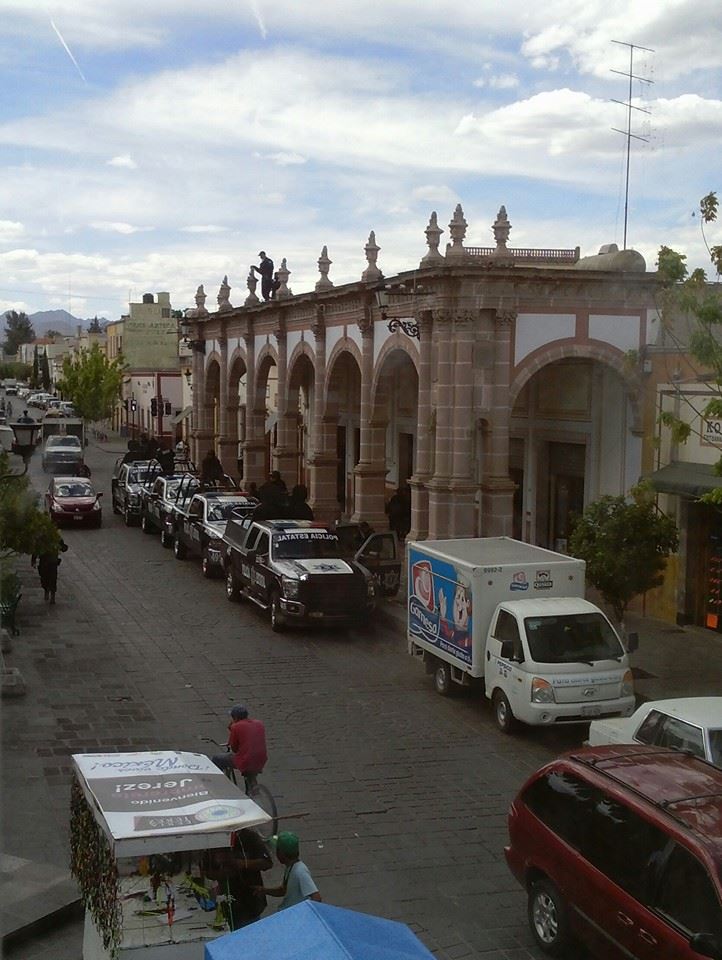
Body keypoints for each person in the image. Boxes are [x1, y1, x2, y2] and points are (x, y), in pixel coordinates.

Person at [203, 828, 273, 928]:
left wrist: (242, 864)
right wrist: (221, 873)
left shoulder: (250, 837)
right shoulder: (212, 840)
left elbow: (267, 863)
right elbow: (206, 872)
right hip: (223, 905)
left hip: (249, 904)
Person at [255, 832, 321, 911]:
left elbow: (316, 897)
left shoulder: (300, 871)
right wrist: (264, 890)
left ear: (281, 854)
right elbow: (283, 890)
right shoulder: (290, 867)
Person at [211, 705, 268, 788]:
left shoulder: (236, 727)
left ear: (235, 717)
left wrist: (232, 726)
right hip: (261, 758)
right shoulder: (259, 723)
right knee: (250, 769)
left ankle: (217, 784)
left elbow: (234, 748)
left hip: (246, 760)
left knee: (217, 758)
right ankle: (252, 788)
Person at [31, 538, 68, 604]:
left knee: (53, 578)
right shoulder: (41, 538)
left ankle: (52, 596)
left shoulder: (56, 538)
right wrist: (33, 560)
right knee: (44, 578)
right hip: (43, 561)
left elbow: (63, 548)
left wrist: (63, 547)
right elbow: (36, 549)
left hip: (52, 562)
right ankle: (46, 590)